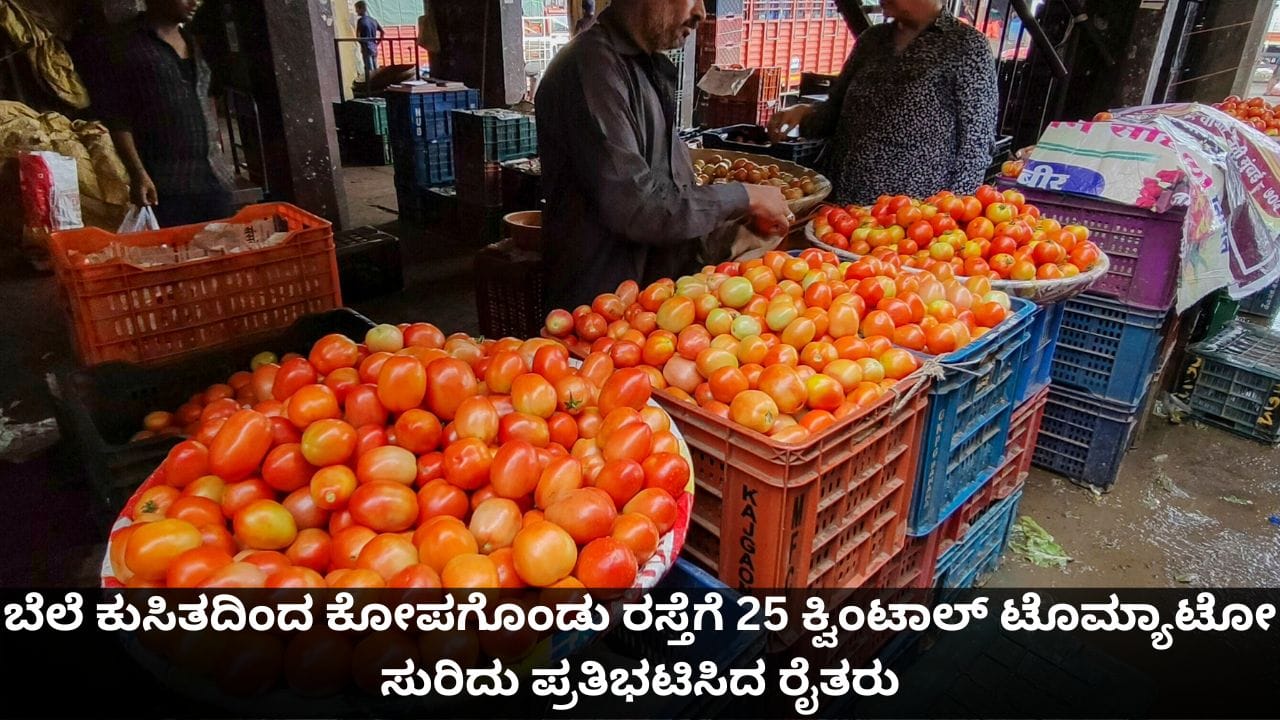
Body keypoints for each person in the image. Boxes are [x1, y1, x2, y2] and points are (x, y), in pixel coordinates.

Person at [536, 0, 792, 311]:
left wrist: (732, 231)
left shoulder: (643, 66)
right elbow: (638, 207)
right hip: (599, 311)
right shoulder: (589, 68)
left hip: (649, 303)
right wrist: (743, 196)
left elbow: (668, 196)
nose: (701, 13)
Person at [767, 0, 998, 206]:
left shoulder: (967, 46)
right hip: (843, 203)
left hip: (911, 214)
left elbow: (976, 146)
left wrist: (951, 214)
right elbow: (834, 111)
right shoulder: (872, 39)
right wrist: (804, 114)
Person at [94, 0, 236, 228]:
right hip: (166, 187)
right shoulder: (126, 44)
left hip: (214, 180)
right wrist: (138, 173)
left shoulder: (191, 41)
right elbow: (118, 118)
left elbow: (205, 100)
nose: (195, 2)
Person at [355, 1, 385, 79]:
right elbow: (382, 32)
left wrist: (361, 44)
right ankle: (377, 82)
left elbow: (357, 36)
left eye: (357, 9)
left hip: (366, 47)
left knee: (368, 69)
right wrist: (377, 43)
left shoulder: (360, 21)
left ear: (361, 9)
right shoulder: (373, 20)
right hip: (374, 47)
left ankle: (370, 84)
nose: (356, 11)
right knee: (375, 68)